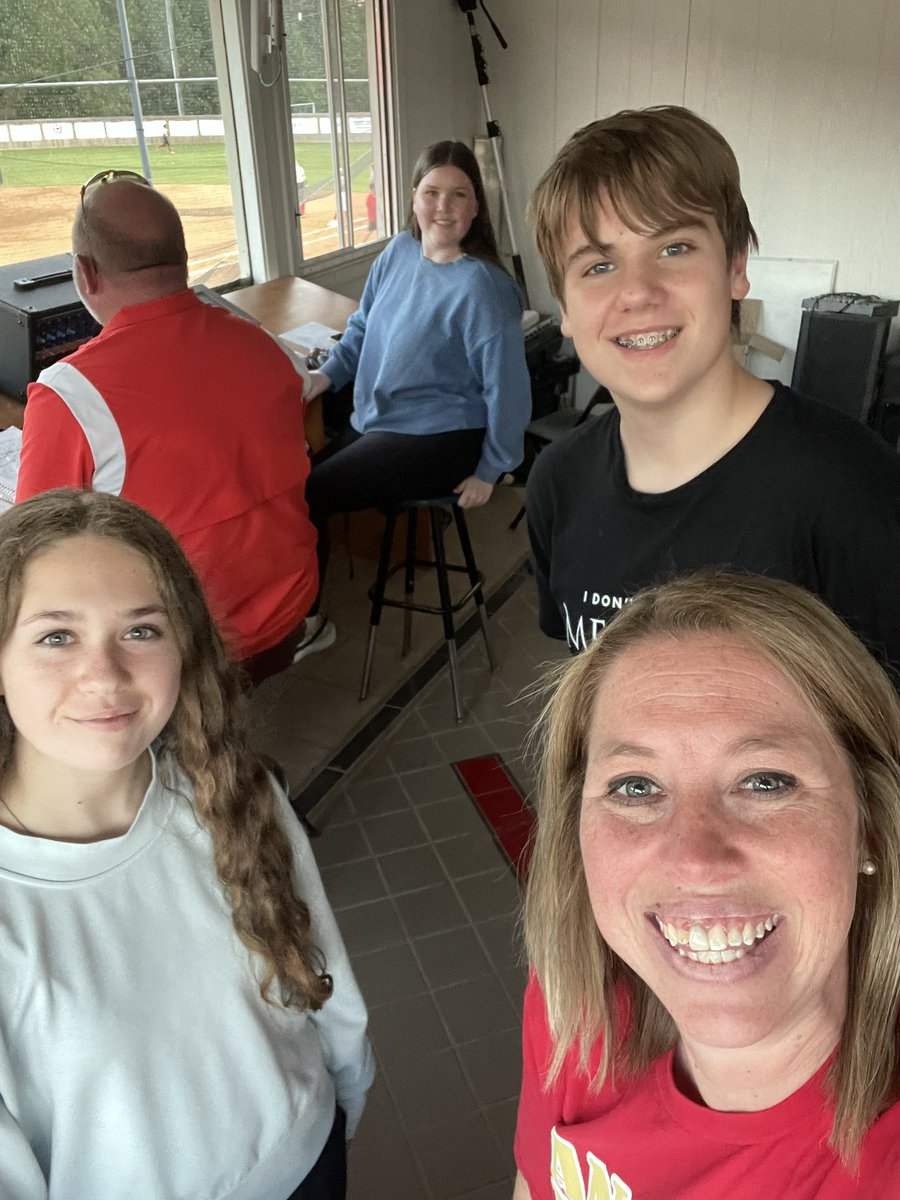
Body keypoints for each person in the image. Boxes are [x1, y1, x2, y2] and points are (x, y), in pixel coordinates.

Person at [0, 488, 373, 1200]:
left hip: (312, 1155)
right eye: (56, 637)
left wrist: (345, 1099)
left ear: (184, 648)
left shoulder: (230, 791)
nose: (105, 675)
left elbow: (321, 969)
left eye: (141, 630)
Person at [513, 569, 900, 1199]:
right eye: (636, 787)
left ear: (871, 828)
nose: (694, 861)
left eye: (765, 781)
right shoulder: (575, 1005)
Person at [524, 106, 900, 681]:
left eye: (674, 248)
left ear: (735, 266)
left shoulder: (854, 490)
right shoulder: (557, 483)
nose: (638, 292)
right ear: (565, 306)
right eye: (598, 266)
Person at [15, 170, 325, 685]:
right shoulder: (266, 346)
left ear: (84, 274)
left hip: (185, 659)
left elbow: (33, 554)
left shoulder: (67, 395)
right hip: (286, 619)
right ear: (182, 260)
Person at [303, 139, 531, 615]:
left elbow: (507, 387)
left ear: (476, 207)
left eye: (459, 194)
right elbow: (362, 325)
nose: (443, 207)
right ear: (413, 198)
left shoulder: (483, 287)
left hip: (444, 433)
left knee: (310, 493)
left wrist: (492, 468)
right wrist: (327, 375)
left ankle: (308, 621)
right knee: (298, 476)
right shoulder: (399, 251)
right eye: (432, 193)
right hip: (383, 417)